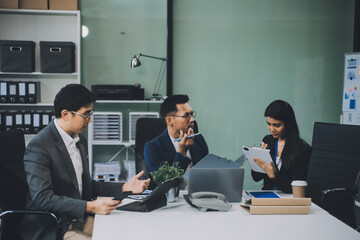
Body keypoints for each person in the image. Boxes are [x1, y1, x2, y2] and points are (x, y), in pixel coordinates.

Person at [20, 84, 150, 240]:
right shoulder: (39, 147)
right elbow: (43, 199)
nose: (90, 120)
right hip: (51, 226)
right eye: (86, 114)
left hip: (74, 219)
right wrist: (89, 206)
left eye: (91, 113)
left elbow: (86, 186)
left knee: (125, 231)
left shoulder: (79, 139)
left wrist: (124, 187)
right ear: (66, 114)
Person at [251, 100, 311, 197]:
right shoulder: (268, 140)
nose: (272, 129)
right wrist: (259, 156)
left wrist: (274, 175)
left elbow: (293, 188)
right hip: (267, 197)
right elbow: (256, 178)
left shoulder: (303, 149)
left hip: (288, 198)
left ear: (288, 124)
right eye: (269, 124)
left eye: (277, 125)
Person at [144, 94, 209, 172]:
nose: (192, 120)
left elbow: (206, 172)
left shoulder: (198, 139)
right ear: (169, 120)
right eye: (186, 116)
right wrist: (182, 153)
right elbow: (166, 182)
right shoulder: (152, 147)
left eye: (192, 114)